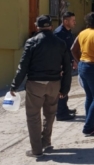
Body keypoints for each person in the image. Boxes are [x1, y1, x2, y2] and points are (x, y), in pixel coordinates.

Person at [10, 15, 72, 157]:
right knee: (50, 114)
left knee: (33, 117)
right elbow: (67, 68)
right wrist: (65, 89)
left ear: (37, 26)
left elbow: (23, 66)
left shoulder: (31, 42)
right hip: (54, 84)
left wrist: (14, 85)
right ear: (50, 26)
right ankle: (46, 141)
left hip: (35, 84)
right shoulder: (60, 43)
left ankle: (36, 150)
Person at [54, 11, 77, 121]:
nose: (75, 22)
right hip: (61, 66)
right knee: (62, 88)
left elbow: (69, 49)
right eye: (73, 20)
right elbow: (57, 52)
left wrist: (73, 60)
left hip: (67, 64)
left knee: (66, 87)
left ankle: (64, 108)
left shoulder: (68, 32)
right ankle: (60, 113)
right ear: (65, 21)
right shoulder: (59, 33)